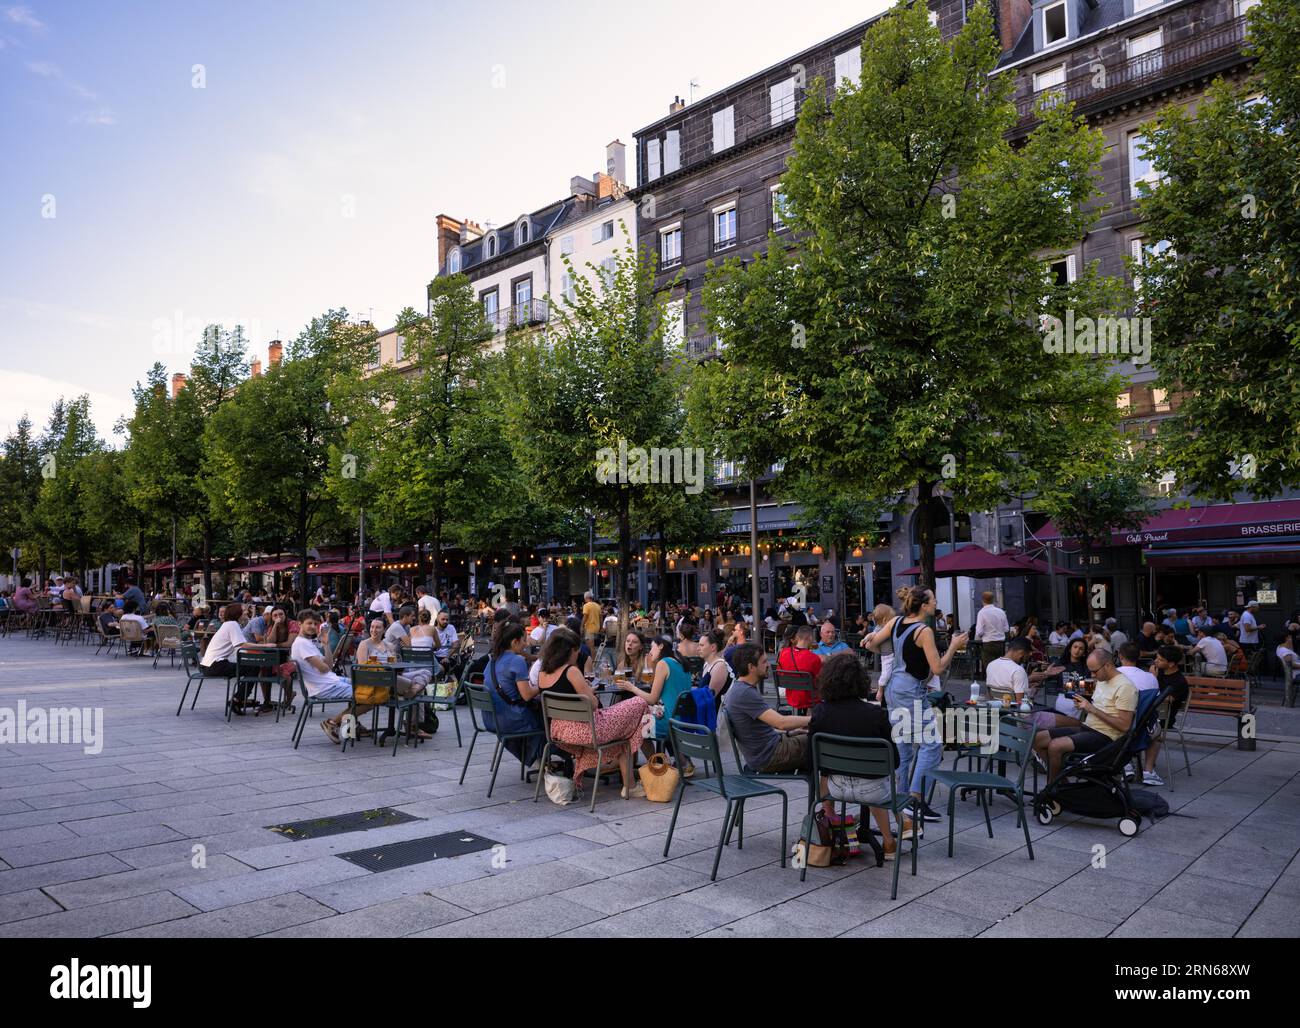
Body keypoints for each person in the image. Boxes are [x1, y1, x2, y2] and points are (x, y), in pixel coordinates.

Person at [881, 586, 967, 825]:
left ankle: (902, 796)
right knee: (932, 744)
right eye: (933, 599)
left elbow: (872, 644)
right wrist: (953, 646)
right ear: (924, 605)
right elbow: (938, 668)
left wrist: (870, 639)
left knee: (904, 746)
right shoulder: (923, 630)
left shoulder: (897, 622)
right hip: (909, 693)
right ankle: (915, 799)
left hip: (894, 688)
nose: (936, 602)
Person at [808, 651, 906, 858]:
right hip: (875, 792)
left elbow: (813, 758)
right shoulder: (876, 715)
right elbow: (894, 761)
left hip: (835, 789)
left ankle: (830, 823)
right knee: (882, 777)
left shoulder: (819, 712)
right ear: (861, 680)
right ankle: (890, 841)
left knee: (828, 772)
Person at [539, 628, 648, 798]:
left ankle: (629, 783)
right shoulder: (571, 671)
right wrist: (589, 691)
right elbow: (594, 704)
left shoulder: (542, 673)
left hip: (558, 731)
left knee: (625, 730)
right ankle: (630, 785)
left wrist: (584, 690)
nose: (578, 654)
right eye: (576, 650)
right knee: (639, 704)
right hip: (587, 731)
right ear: (569, 650)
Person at [1034, 648, 1138, 781]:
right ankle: (1060, 783)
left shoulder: (1125, 687)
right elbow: (1071, 686)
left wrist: (1091, 709)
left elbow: (1124, 726)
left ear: (1107, 665)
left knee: (1056, 746)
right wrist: (1048, 675)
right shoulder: (1101, 679)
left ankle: (1053, 789)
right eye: (1090, 671)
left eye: (1094, 671)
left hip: (1106, 736)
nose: (1092, 675)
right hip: (1088, 728)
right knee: (1037, 739)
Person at [721, 643, 811, 774]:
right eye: (763, 662)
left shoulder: (741, 688)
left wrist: (791, 733)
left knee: (814, 739)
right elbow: (781, 722)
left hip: (767, 751)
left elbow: (758, 731)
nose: (768, 664)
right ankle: (833, 789)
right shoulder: (745, 693)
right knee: (822, 742)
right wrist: (814, 719)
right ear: (751, 667)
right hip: (769, 757)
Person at [293, 610, 377, 745]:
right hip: (324, 687)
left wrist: (326, 644)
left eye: (315, 623)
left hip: (331, 681)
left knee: (365, 686)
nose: (313, 626)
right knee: (372, 697)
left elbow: (329, 665)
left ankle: (350, 727)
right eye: (309, 623)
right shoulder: (301, 644)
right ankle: (333, 722)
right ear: (299, 624)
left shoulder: (308, 642)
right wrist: (326, 665)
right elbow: (324, 668)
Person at [620, 635, 693, 768]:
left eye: (652, 647)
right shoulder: (682, 663)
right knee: (640, 722)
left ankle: (657, 767)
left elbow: (652, 699)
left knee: (635, 726)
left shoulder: (663, 663)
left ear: (660, 646)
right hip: (680, 719)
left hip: (667, 720)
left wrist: (632, 688)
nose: (650, 652)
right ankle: (679, 761)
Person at [1141, 645, 1189, 786]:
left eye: (1160, 659)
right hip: (1149, 715)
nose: (1156, 661)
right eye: (1157, 658)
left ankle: (1145, 769)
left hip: (1164, 718)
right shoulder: (1159, 672)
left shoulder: (1179, 681)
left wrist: (1152, 680)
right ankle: (1128, 766)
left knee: (1134, 728)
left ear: (1171, 664)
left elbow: (1161, 702)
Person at [199, 602, 247, 707]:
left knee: (248, 667)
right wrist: (267, 645)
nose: (246, 613)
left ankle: (240, 698)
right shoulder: (233, 624)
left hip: (207, 666)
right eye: (244, 611)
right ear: (237, 613)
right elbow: (242, 645)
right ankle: (238, 699)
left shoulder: (227, 624)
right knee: (253, 667)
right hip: (215, 665)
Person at [777, 624, 823, 711]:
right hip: (809, 699)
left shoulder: (783, 652)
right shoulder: (813, 658)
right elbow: (819, 680)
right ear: (810, 638)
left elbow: (780, 672)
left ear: (797, 637)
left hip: (791, 697)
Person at [973, 590, 1008, 673]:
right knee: (1000, 668)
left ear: (982, 600)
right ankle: (1000, 685)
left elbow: (979, 632)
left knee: (990, 669)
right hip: (1000, 644)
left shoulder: (981, 613)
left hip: (988, 644)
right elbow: (1006, 629)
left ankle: (991, 685)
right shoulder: (1001, 612)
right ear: (993, 599)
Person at [696, 627, 735, 698]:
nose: (698, 648)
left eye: (701, 645)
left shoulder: (719, 666)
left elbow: (709, 699)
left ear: (713, 647)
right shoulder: (708, 663)